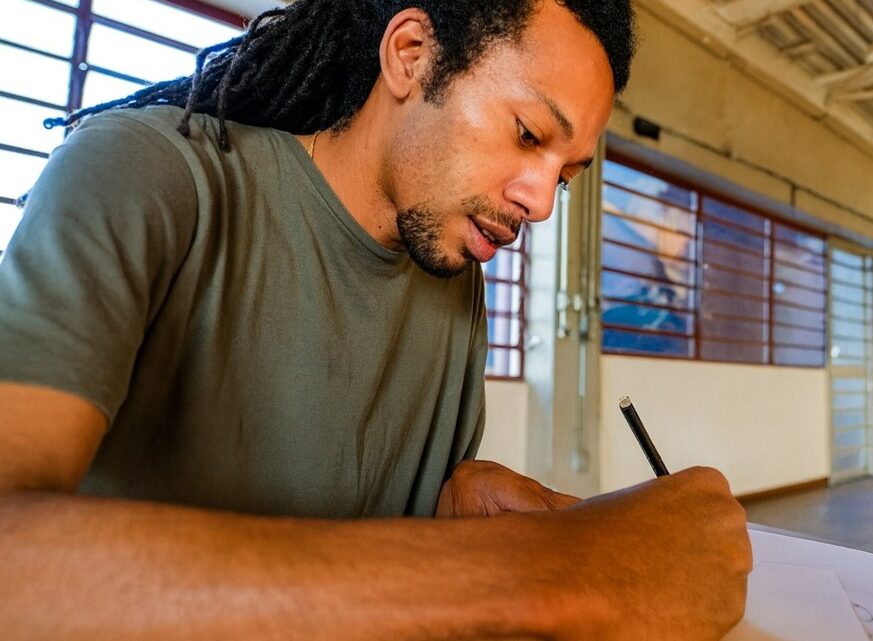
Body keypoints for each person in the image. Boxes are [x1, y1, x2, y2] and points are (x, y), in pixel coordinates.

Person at [0, 0, 751, 639]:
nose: (543, 201)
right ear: (411, 55)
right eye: (528, 135)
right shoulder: (151, 176)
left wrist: (447, 502)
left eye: (567, 172)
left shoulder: (453, 279)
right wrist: (552, 574)